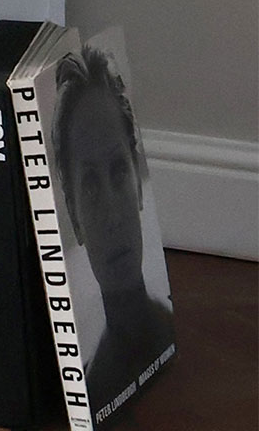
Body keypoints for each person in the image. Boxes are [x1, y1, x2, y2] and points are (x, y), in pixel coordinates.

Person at [53, 43, 176, 405]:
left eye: (119, 172)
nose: (111, 214)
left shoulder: (168, 336)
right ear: (75, 218)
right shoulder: (92, 389)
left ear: (137, 185)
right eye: (89, 185)